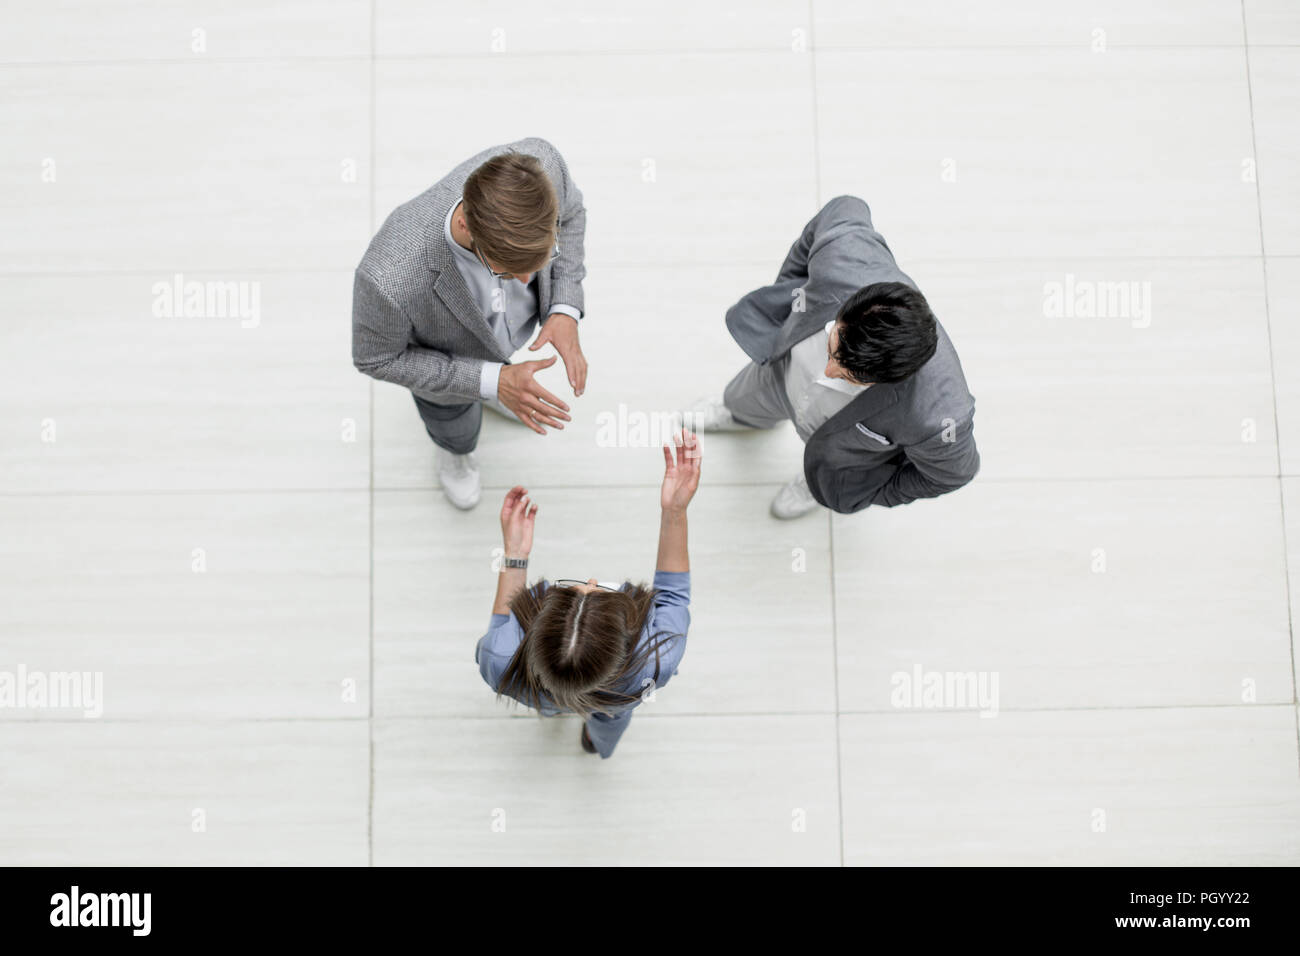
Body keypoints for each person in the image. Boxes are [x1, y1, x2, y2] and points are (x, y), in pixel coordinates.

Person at [689, 195, 979, 518]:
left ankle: (814, 482)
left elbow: (955, 472)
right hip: (781, 372)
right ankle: (739, 415)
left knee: (824, 469)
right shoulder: (845, 253)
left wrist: (873, 489)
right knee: (740, 397)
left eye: (847, 374)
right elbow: (845, 206)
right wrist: (791, 290)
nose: (827, 371)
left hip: (837, 448)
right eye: (832, 344)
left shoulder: (937, 416)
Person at [352, 137, 588, 510]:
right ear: (465, 225)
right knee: (457, 430)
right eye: (507, 272)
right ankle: (455, 452)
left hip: (494, 338)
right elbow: (376, 359)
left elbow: (572, 215)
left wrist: (563, 308)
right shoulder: (387, 279)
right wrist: (490, 381)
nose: (528, 284)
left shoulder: (542, 165)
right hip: (450, 374)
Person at [475, 430, 702, 758]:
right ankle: (597, 744)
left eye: (580, 586)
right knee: (608, 724)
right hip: (615, 705)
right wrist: (675, 511)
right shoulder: (656, 660)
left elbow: (503, 622)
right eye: (596, 588)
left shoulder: (499, 661)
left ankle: (556, 708)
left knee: (551, 704)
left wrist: (515, 555)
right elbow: (673, 595)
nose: (593, 579)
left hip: (541, 693)